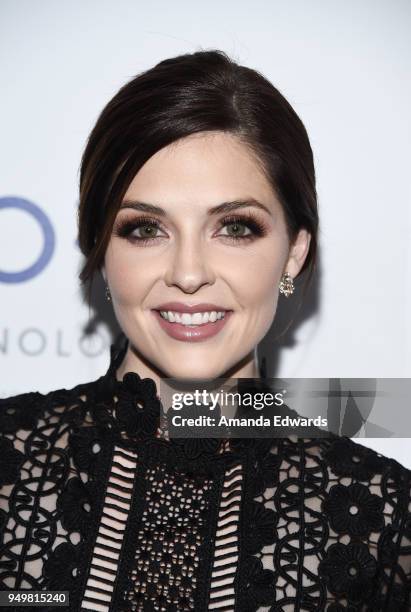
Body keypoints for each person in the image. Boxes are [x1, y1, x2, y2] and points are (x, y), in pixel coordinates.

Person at [0, 49, 410, 612]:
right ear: (100, 248)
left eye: (235, 227)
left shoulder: (380, 512)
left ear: (294, 251)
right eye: (145, 228)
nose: (188, 274)